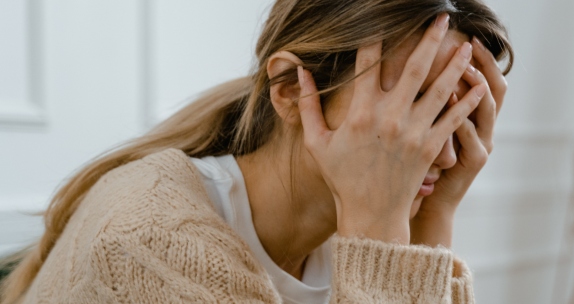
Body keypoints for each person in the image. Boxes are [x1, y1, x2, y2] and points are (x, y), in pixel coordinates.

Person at [0, 0, 512, 303]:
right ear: (291, 89)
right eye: (411, 106)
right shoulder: (150, 241)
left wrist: (433, 217)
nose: (442, 152)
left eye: (459, 113)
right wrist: (385, 236)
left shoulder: (358, 225)